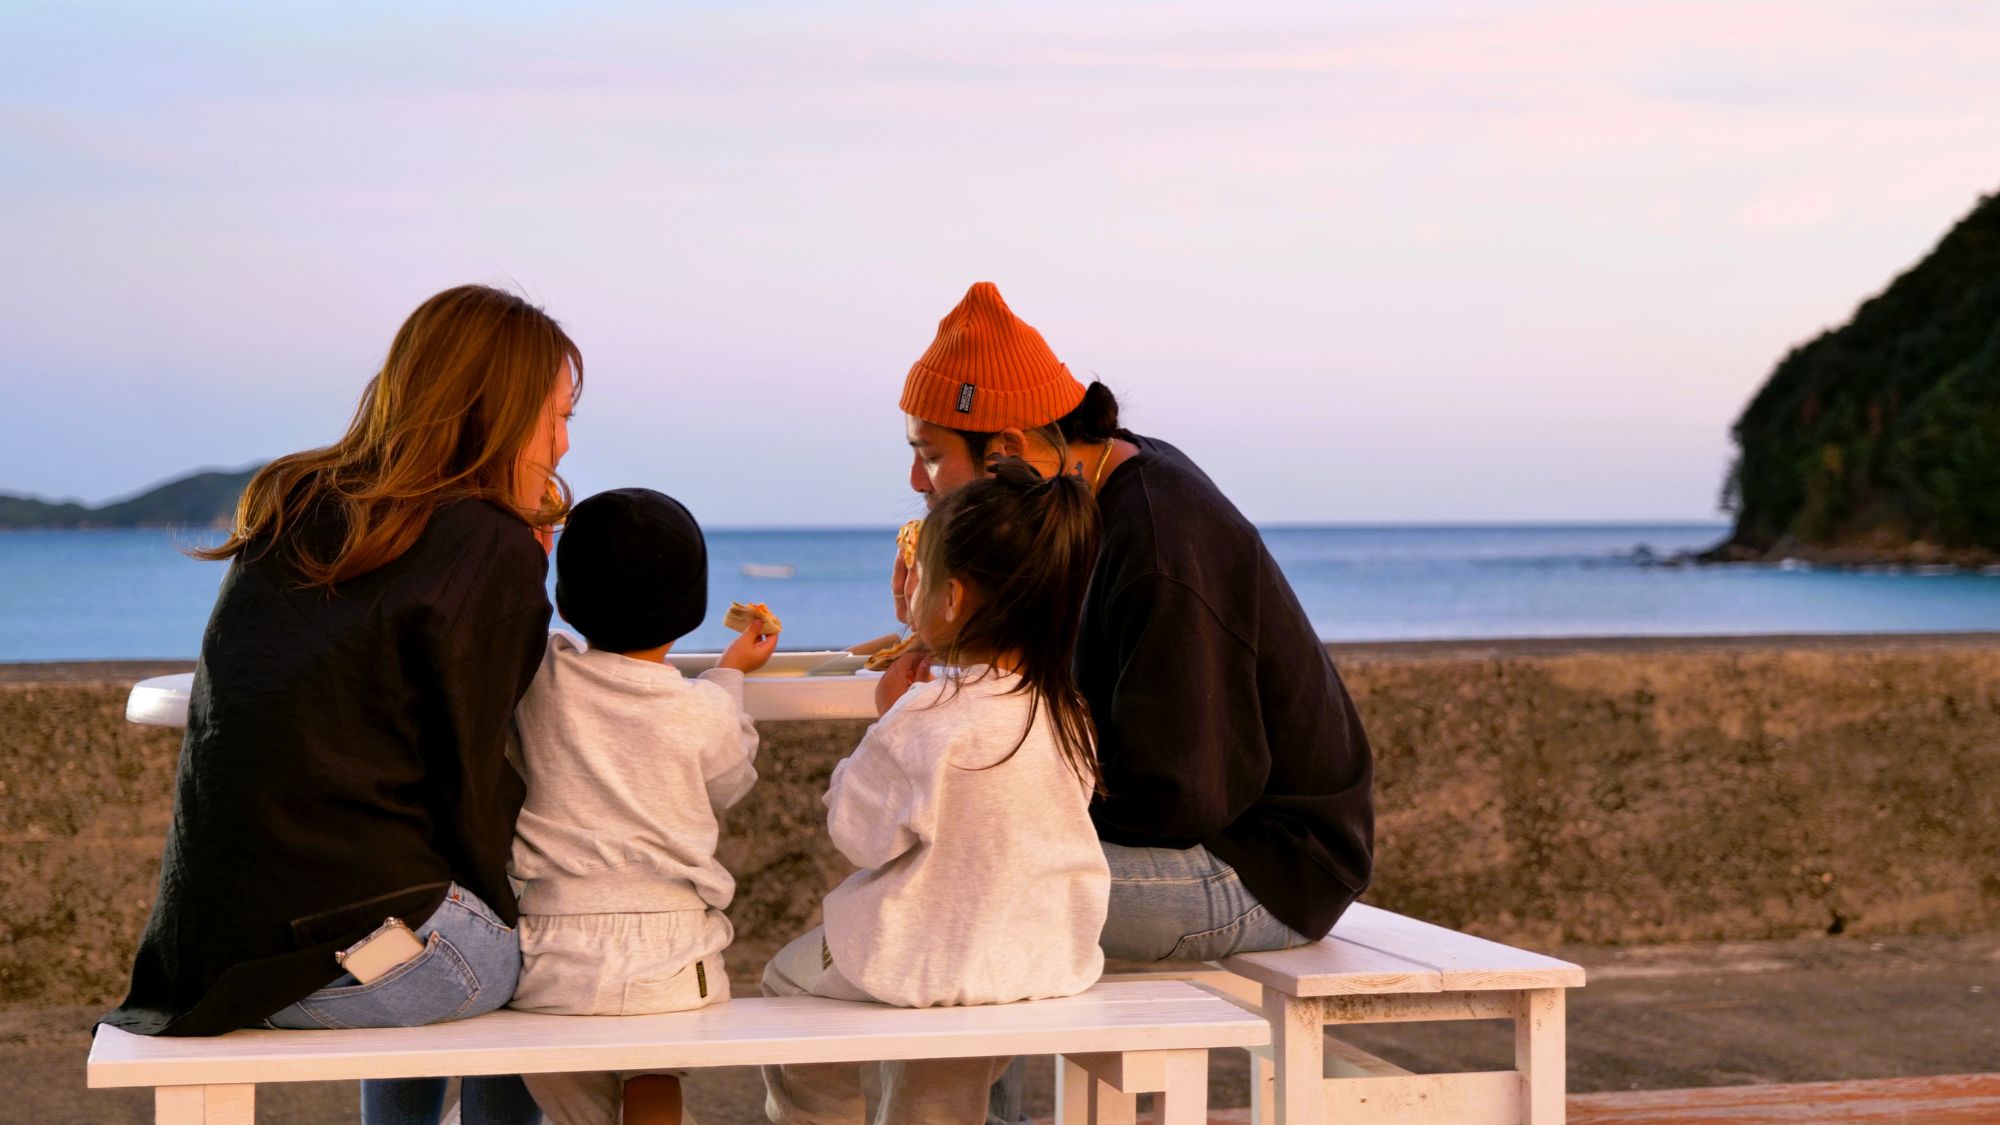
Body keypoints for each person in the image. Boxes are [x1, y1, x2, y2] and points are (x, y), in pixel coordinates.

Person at [891, 283, 1376, 1122]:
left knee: (967, 886)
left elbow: (1179, 790)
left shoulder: (1156, 538)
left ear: (1006, 445)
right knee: (952, 862)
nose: (915, 479)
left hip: (1259, 860)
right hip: (1190, 833)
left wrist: (1002, 796)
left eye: (932, 454)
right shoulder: (1075, 502)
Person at [104, 283, 580, 1125]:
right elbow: (471, 788)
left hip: (209, 958)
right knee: (552, 959)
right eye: (557, 415)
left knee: (421, 912)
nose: (563, 443)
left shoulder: (294, 501)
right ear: (501, 412)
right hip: (338, 966)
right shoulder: (486, 542)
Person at [761, 459, 1110, 1125]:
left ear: (950, 599)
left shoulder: (924, 720)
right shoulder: (1069, 715)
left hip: (928, 955)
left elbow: (858, 837)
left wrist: (888, 717)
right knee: (939, 1089)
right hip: (1035, 959)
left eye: (918, 578)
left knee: (784, 984)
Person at [507, 487, 777, 1125]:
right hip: (673, 948)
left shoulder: (542, 677)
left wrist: (533, 547)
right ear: (694, 606)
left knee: (570, 1095)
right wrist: (730, 673)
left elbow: (518, 620)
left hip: (552, 951)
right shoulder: (702, 711)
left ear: (569, 601)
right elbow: (730, 781)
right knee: (655, 1069)